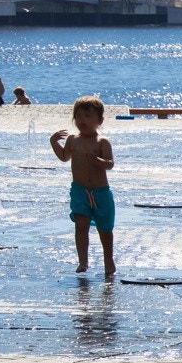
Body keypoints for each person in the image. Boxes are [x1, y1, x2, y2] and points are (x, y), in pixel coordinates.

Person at [51, 95, 117, 276]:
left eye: (88, 116)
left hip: (100, 193)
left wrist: (98, 161)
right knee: (81, 225)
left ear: (100, 120)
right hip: (79, 191)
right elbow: (64, 157)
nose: (82, 120)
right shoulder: (73, 140)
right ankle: (83, 261)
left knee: (105, 229)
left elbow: (110, 164)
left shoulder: (102, 142)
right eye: (78, 116)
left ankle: (108, 260)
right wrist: (53, 142)